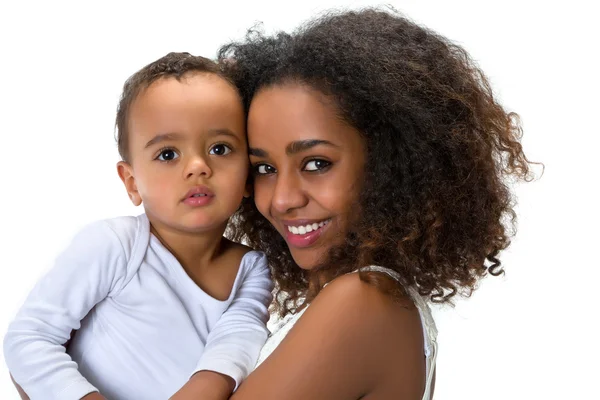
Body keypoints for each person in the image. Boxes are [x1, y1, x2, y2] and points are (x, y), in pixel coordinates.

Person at [220, 8, 533, 399]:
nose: (282, 199)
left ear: (389, 164)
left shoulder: (362, 301)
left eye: (316, 163)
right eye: (264, 167)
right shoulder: (378, 300)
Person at [3, 52, 273, 400]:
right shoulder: (115, 245)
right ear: (131, 182)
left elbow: (240, 335)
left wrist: (205, 387)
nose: (197, 166)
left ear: (249, 172)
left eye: (220, 148)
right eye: (167, 154)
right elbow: (30, 337)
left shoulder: (252, 267)